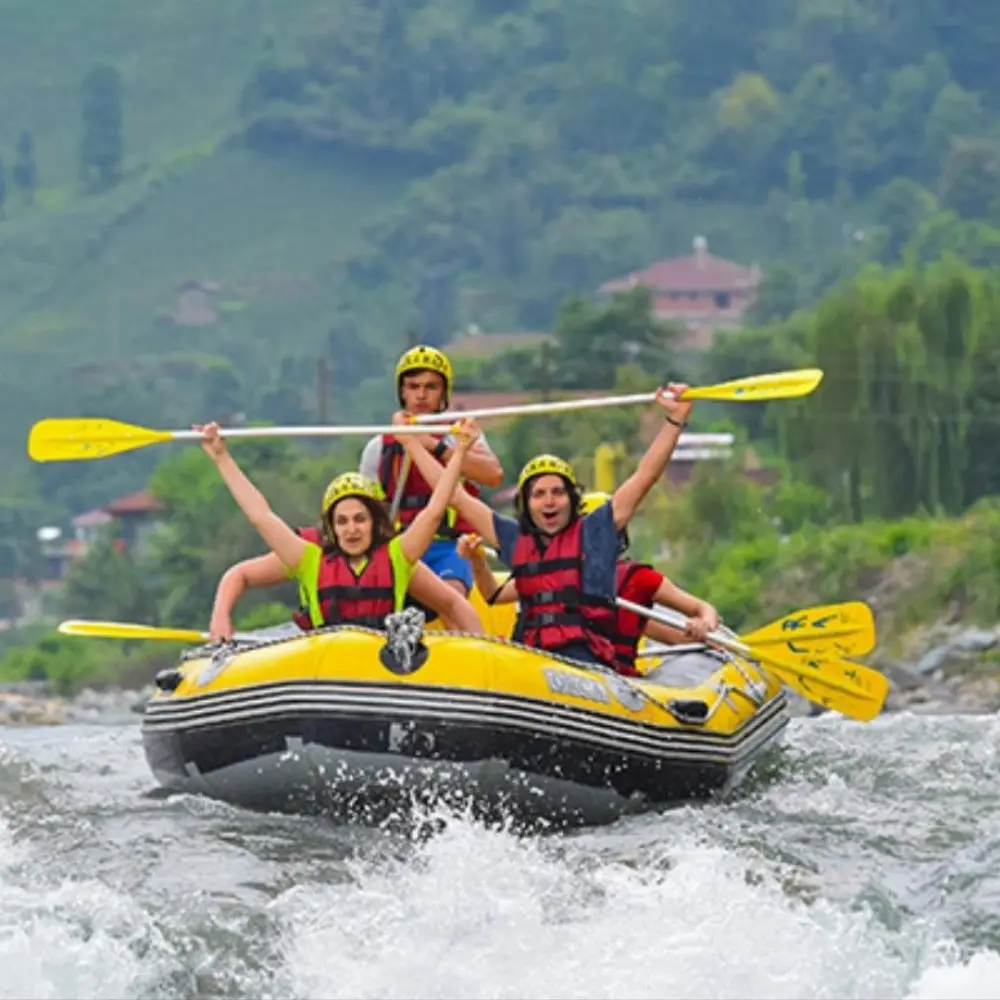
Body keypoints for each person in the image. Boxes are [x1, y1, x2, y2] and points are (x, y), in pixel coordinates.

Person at [393, 382, 694, 667]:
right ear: (527, 504)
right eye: (539, 494)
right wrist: (411, 443)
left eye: (557, 492)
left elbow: (644, 477)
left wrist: (674, 421)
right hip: (531, 657)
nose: (549, 501)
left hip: (584, 658)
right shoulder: (514, 537)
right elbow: (455, 497)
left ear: (571, 499)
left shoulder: (594, 531)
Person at [196, 416, 484, 639]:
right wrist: (221, 457)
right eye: (342, 521)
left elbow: (434, 511)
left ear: (375, 523)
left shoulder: (399, 556)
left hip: (380, 670)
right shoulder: (308, 559)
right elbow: (260, 515)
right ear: (331, 528)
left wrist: (459, 453)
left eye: (360, 519)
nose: (352, 530)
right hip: (325, 666)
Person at [456, 491, 720, 676]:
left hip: (610, 677)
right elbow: (494, 594)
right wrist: (477, 562)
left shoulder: (639, 579)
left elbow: (697, 610)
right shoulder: (558, 575)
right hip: (554, 665)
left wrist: (703, 626)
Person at [358, 345, 504, 598]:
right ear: (402, 392)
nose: (421, 395)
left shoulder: (461, 435)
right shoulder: (379, 447)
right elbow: (364, 507)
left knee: (452, 593)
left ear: (443, 393)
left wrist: (431, 444)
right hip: (401, 546)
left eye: (431, 387)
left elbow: (492, 475)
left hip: (449, 546)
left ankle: (460, 634)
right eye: (413, 387)